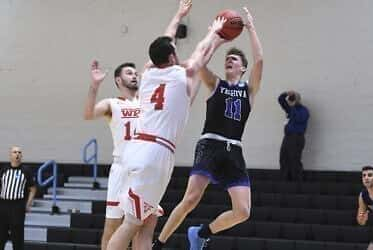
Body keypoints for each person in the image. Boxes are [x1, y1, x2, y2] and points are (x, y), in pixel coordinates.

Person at [106, 2, 227, 250]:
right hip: (155, 154)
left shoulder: (148, 73)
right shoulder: (181, 76)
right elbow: (200, 55)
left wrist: (179, 15)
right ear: (172, 56)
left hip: (137, 149)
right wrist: (216, 33)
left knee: (148, 221)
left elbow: (169, 41)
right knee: (130, 224)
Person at [153, 7, 263, 250]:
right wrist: (215, 36)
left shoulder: (249, 90)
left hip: (234, 150)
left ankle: (201, 232)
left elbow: (260, 61)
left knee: (243, 211)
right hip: (210, 145)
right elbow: (198, 64)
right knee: (190, 199)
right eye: (227, 58)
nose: (229, 60)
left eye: (234, 59)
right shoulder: (215, 84)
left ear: (243, 68)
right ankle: (159, 244)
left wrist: (251, 28)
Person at [84, 61, 160, 250]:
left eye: (135, 73)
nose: (134, 75)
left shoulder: (147, 102)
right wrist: (94, 86)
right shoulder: (112, 103)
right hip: (122, 168)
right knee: (112, 227)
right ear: (118, 79)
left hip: (144, 169)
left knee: (141, 227)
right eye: (129, 73)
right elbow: (88, 114)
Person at [0, 146, 36, 250]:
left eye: (19, 152)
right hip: (3, 205)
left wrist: (28, 204)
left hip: (17, 205)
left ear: (21, 156)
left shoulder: (26, 171)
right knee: (1, 234)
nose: (17, 154)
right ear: (10, 155)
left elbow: (33, 189)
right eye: (14, 152)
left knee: (17, 237)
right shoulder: (4, 170)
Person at [278, 90, 309, 181]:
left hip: (297, 137)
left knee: (294, 159)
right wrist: (287, 93)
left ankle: (297, 180)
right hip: (287, 137)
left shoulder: (303, 110)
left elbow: (299, 119)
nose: (290, 101)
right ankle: (285, 179)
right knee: (283, 158)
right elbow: (280, 100)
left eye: (293, 99)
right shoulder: (290, 109)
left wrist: (293, 107)